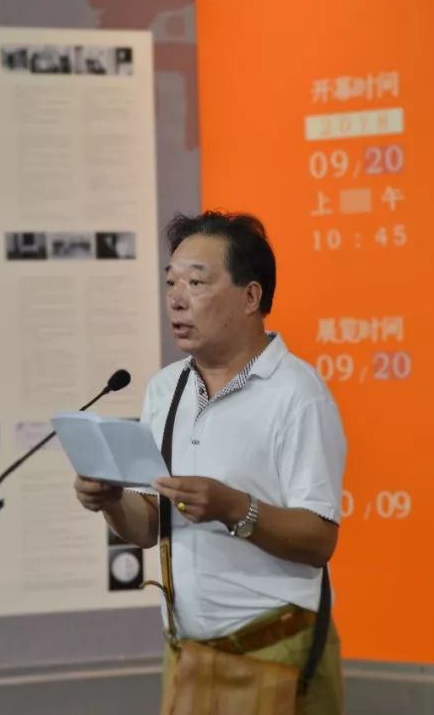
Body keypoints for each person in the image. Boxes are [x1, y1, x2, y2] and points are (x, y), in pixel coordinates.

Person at [73, 211, 347, 713]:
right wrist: (112, 501)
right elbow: (149, 525)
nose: (177, 299)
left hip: (275, 651)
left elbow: (319, 540)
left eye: (196, 283)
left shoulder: (297, 394)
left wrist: (234, 508)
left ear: (250, 297)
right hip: (187, 653)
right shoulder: (165, 388)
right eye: (171, 282)